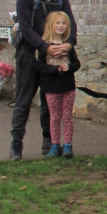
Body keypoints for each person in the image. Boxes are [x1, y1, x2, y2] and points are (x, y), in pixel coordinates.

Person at [9, 0, 77, 160]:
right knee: (23, 100)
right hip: (30, 55)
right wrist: (45, 48)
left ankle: (50, 141)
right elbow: (27, 29)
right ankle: (16, 144)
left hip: (55, 56)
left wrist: (69, 44)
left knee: (51, 101)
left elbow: (71, 24)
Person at [35, 11, 80, 158]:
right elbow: (39, 66)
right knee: (54, 117)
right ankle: (55, 144)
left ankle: (68, 144)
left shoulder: (68, 46)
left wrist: (69, 68)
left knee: (67, 116)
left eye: (63, 23)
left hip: (68, 86)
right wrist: (55, 69)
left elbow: (76, 63)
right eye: (58, 23)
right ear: (51, 25)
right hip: (51, 87)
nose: (61, 26)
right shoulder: (44, 46)